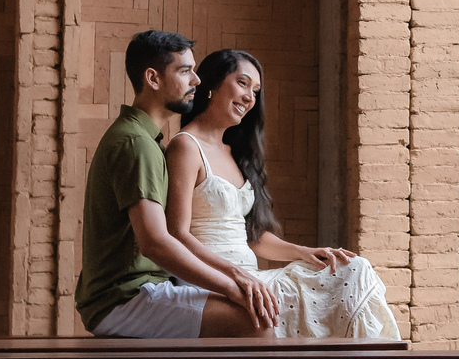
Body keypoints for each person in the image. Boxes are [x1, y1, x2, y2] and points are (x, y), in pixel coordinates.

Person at [166, 47, 400, 339]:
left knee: (352, 269)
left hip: (252, 278)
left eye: (256, 90)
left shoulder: (233, 153)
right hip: (214, 282)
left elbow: (254, 238)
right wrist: (235, 276)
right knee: (347, 279)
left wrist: (304, 252)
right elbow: (177, 234)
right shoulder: (186, 147)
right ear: (213, 84)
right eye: (242, 83)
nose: (250, 97)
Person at [74, 30, 280, 339]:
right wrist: (232, 280)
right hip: (125, 299)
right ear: (153, 78)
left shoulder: (146, 140)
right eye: (184, 71)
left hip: (145, 289)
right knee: (257, 322)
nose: (196, 80)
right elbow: (156, 241)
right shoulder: (136, 144)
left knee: (262, 311)